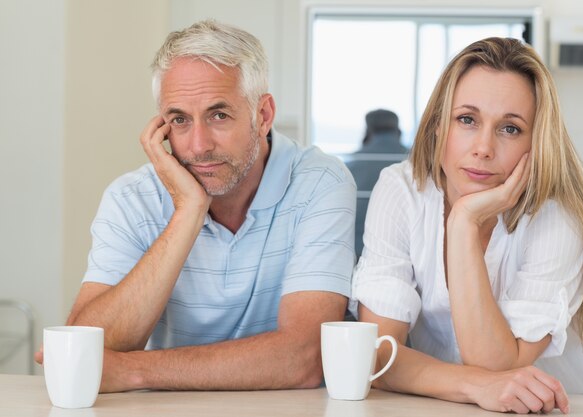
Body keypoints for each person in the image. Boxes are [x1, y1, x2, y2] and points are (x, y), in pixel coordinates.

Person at [37, 19, 356, 392]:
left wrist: (134, 372)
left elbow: (304, 358)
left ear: (263, 116)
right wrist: (188, 213)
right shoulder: (131, 197)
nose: (198, 145)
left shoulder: (320, 182)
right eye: (180, 120)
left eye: (218, 115)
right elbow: (86, 349)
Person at [350, 37, 583, 414]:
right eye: (467, 119)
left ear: (538, 141)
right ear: (436, 127)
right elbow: (379, 355)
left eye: (510, 128)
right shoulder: (402, 191)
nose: (483, 147)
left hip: (575, 406)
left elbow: (496, 365)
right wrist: (471, 385)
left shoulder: (557, 217)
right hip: (460, 405)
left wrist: (463, 222)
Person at [345, 109, 407, 256]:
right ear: (398, 130)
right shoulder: (416, 161)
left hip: (357, 253)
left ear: (368, 130)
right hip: (406, 254)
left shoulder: (350, 165)